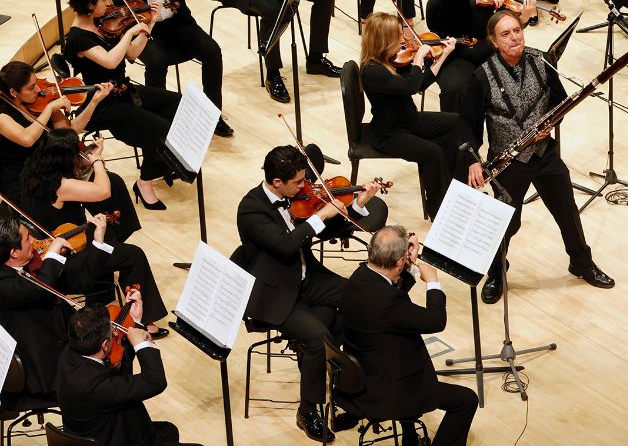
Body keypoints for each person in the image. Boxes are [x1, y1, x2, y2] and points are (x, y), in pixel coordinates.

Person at [233, 145, 387, 442]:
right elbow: (286, 244)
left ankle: (350, 389)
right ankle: (307, 411)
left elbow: (325, 232)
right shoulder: (251, 209)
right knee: (319, 339)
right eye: (299, 183)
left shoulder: (296, 200)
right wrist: (323, 214)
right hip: (276, 293)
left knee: (360, 300)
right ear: (277, 182)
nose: (306, 187)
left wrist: (356, 205)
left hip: (307, 279)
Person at [462, 10, 615, 305]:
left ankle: (581, 262)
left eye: (516, 30)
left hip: (545, 155)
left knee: (567, 211)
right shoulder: (482, 75)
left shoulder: (542, 61)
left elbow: (560, 101)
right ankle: (497, 271)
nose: (514, 37)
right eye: (505, 34)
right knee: (508, 221)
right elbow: (468, 123)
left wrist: (550, 124)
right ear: (493, 42)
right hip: (509, 162)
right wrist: (472, 159)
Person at [20, 128, 170, 337]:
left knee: (109, 238)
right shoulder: (61, 185)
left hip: (57, 243)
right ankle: (140, 322)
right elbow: (103, 191)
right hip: (68, 256)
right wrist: (97, 161)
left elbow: (81, 178)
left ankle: (101, 302)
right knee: (134, 255)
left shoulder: (34, 170)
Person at [340, 226, 478, 445]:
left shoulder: (359, 277)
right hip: (387, 389)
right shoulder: (388, 301)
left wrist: (409, 265)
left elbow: (391, 305)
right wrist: (432, 281)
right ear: (398, 262)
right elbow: (435, 321)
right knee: (467, 400)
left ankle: (409, 435)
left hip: (359, 375)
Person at [103, 0, 232, 137]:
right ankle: (159, 122)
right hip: (144, 28)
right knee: (157, 61)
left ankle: (213, 115)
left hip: (177, 22)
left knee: (212, 50)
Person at [64, 0, 180, 209]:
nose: (108, 5)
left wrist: (151, 23)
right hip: (104, 103)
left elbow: (131, 54)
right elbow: (109, 61)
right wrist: (129, 33)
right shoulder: (77, 38)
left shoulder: (102, 25)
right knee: (159, 129)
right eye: (103, 1)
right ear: (89, 5)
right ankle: (145, 181)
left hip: (124, 90)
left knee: (176, 102)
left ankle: (159, 159)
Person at [360, 12, 461, 219]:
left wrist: (443, 56)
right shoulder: (372, 71)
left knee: (453, 122)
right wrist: (418, 59)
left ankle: (449, 185)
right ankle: (439, 210)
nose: (404, 39)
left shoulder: (390, 61)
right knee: (433, 153)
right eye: (398, 36)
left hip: (407, 120)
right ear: (384, 40)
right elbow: (410, 86)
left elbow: (419, 83)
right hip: (389, 134)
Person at [58, 300, 200, 444]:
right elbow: (155, 381)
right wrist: (142, 345)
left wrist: (134, 321)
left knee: (168, 431)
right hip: (115, 437)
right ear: (105, 345)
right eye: (112, 334)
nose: (115, 335)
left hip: (100, 427)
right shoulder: (95, 384)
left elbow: (118, 373)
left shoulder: (70, 352)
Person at [431, 0, 534, 113]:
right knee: (456, 89)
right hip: (457, 50)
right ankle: (453, 136)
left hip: (488, 49)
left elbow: (504, 25)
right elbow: (449, 5)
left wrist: (523, 18)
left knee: (525, 75)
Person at [0, 60, 114, 200]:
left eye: (36, 83)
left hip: (52, 167)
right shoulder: (2, 116)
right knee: (104, 189)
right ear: (13, 92)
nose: (38, 89)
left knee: (112, 182)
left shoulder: (39, 101)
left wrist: (94, 103)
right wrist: (49, 109)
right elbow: (27, 139)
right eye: (31, 87)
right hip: (27, 180)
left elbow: (69, 131)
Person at [0, 211, 81, 400]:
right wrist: (52, 254)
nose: (34, 241)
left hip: (59, 348)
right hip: (42, 372)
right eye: (28, 239)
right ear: (13, 252)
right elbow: (41, 289)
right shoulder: (3, 284)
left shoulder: (18, 269)